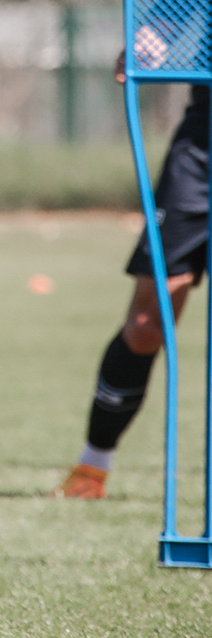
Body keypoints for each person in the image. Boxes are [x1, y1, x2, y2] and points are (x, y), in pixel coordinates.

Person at [54, 42, 209, 500]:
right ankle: (92, 468)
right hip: (203, 150)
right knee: (146, 323)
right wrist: (146, 43)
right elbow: (165, 15)